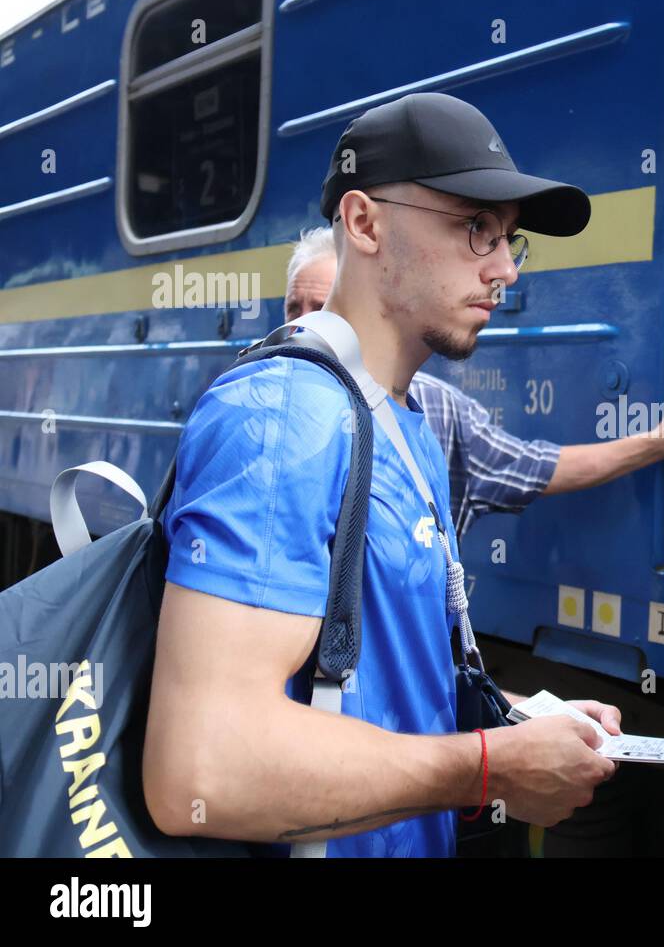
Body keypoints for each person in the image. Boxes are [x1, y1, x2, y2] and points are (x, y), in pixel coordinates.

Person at [143, 93, 624, 857]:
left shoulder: (403, 425)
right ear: (365, 224)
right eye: (475, 230)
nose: (504, 270)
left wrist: (522, 724)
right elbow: (202, 772)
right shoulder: (280, 417)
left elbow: (386, 692)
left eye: (510, 241)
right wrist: (489, 768)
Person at [285, 229, 664, 537]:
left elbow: (535, 467)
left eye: (321, 305)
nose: (305, 322)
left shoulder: (439, 410)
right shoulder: (263, 403)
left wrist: (658, 440)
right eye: (293, 307)